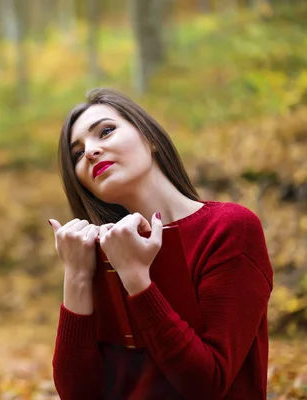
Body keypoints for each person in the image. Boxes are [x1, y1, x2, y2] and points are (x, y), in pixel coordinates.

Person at [47, 88, 273, 399]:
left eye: (106, 131)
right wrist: (76, 274)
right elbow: (78, 394)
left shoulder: (229, 228)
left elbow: (208, 383)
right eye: (77, 153)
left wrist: (137, 279)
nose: (90, 152)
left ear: (150, 137)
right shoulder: (96, 253)